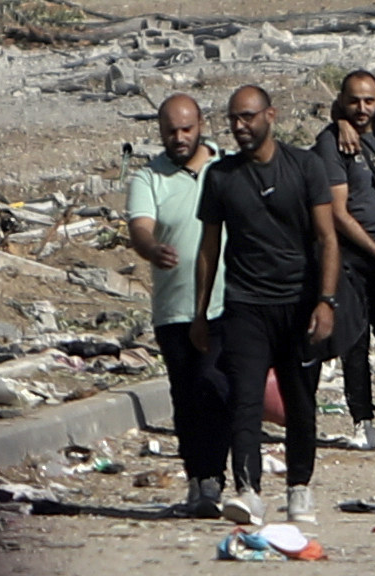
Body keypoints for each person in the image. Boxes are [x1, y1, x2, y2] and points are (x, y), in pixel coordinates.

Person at [193, 86, 339, 528]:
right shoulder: (220, 176)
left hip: (297, 303)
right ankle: (248, 492)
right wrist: (200, 312)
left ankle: (299, 488)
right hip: (244, 304)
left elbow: (327, 238)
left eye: (248, 117)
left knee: (299, 400)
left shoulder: (306, 166)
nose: (240, 127)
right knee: (244, 400)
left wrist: (326, 301)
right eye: (234, 119)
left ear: (270, 115)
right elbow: (208, 247)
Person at [126, 94, 229, 517]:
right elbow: (140, 228)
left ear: (201, 124)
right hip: (175, 310)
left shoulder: (227, 168)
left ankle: (218, 476)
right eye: (171, 131)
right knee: (186, 396)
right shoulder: (149, 178)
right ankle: (197, 479)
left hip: (224, 305)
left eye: (187, 129)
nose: (180, 138)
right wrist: (152, 249)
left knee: (217, 387)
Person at [309, 72, 375, 447]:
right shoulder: (332, 143)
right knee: (354, 337)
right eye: (353, 101)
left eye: (369, 101)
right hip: (353, 253)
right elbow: (338, 212)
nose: (361, 109)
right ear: (342, 100)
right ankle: (361, 418)